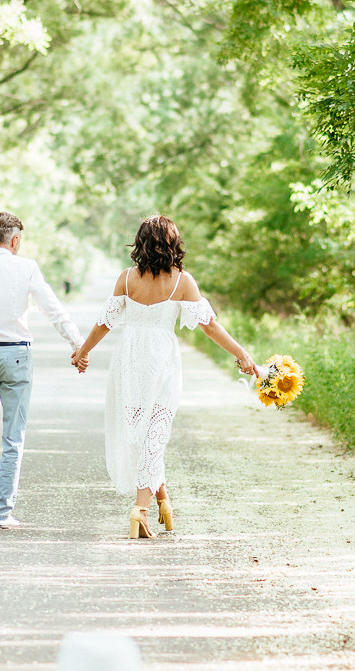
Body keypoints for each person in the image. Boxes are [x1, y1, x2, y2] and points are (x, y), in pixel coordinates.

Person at [70, 215, 257, 538]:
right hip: (162, 364)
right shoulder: (182, 281)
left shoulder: (126, 279)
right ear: (172, 243)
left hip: (129, 362)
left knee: (144, 435)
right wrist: (243, 355)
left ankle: (163, 502)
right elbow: (210, 326)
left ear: (141, 242)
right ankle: (140, 510)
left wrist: (83, 352)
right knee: (154, 435)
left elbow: (104, 323)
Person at [0, 211, 82, 529]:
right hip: (17, 355)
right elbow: (53, 309)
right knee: (13, 437)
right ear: (16, 241)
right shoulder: (26, 268)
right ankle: (1, 513)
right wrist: (78, 343)